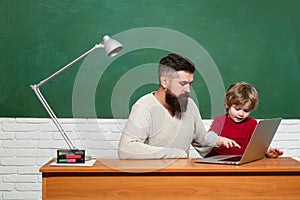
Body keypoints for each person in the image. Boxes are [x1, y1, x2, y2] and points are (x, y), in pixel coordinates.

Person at [118, 53, 239, 159]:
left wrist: (223, 145)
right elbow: (126, 149)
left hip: (182, 178)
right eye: (182, 84)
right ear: (164, 81)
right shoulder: (144, 107)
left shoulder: (189, 105)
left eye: (189, 84)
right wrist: (175, 154)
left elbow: (201, 142)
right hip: (153, 179)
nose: (188, 90)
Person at [204, 81, 283, 158]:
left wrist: (268, 151)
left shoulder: (252, 123)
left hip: (240, 161)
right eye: (237, 109)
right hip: (218, 161)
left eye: (246, 111)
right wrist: (220, 139)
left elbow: (260, 143)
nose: (241, 114)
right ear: (227, 105)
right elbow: (208, 138)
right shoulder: (220, 120)